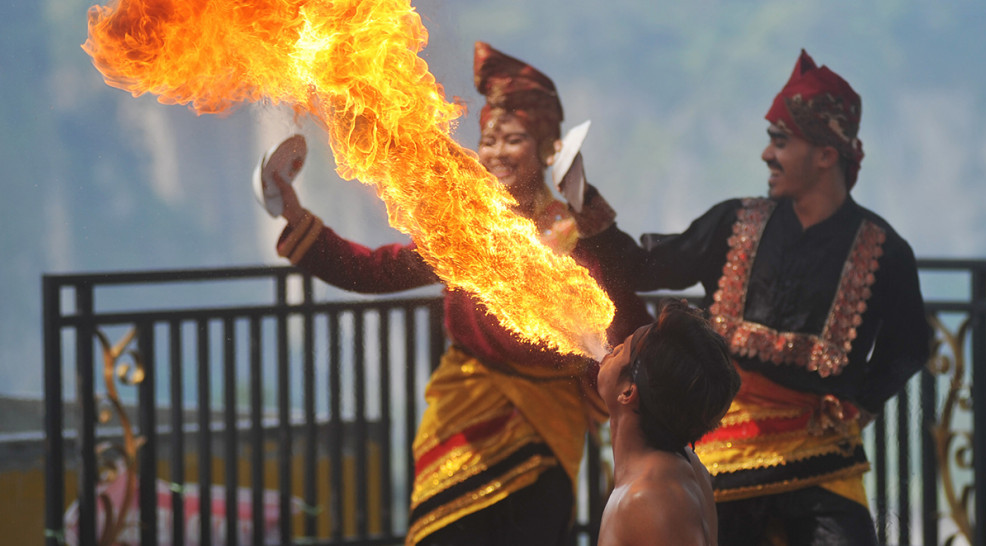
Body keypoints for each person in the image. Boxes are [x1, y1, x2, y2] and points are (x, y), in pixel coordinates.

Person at [270, 41, 650, 546]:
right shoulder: (465, 224)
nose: (494, 152)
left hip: (545, 422)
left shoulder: (573, 230)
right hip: (462, 412)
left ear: (546, 149)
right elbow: (375, 271)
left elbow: (623, 313)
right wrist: (295, 217)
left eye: (512, 139)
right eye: (487, 140)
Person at [574, 50, 932, 545]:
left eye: (781, 142)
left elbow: (911, 345)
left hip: (821, 457)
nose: (767, 155)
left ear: (827, 154)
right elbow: (645, 268)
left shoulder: (886, 250)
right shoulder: (733, 222)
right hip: (724, 454)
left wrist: (859, 403)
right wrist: (582, 203)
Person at [596, 298, 740, 546]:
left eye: (622, 348)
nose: (612, 349)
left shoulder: (650, 498)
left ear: (628, 392)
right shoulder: (683, 462)